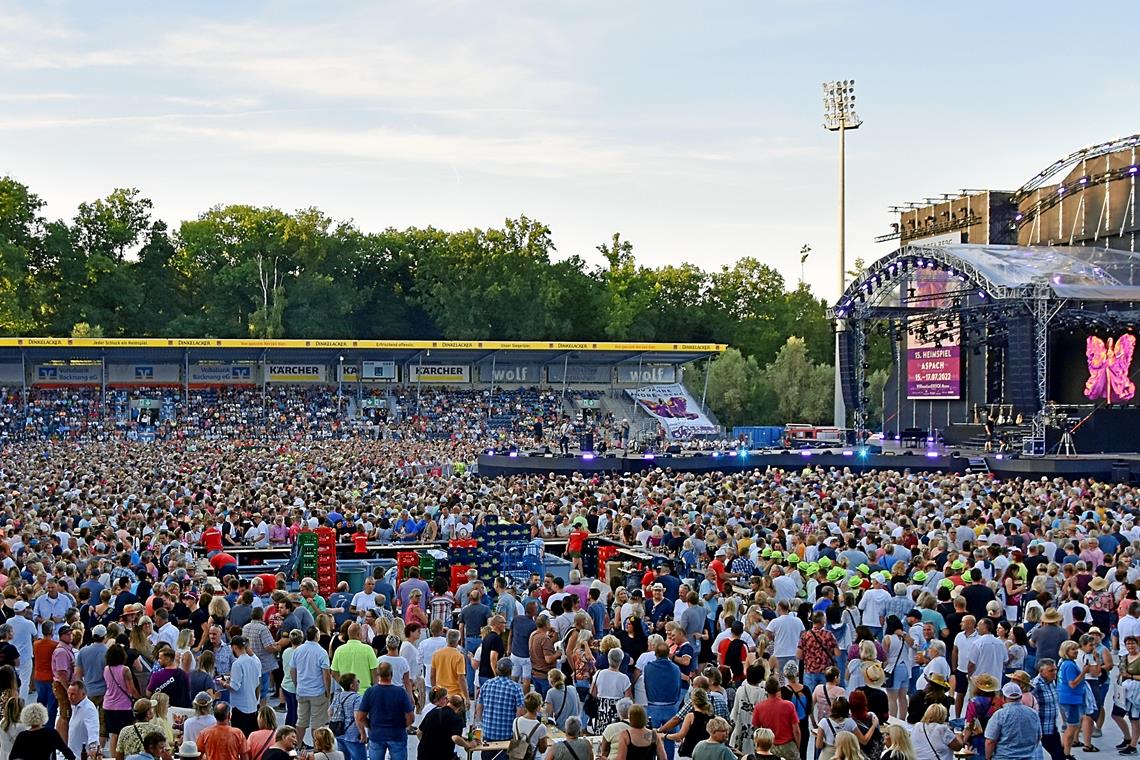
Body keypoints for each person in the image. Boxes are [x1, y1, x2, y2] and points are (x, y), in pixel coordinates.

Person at [355, 661, 414, 760]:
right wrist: (403, 726)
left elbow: (360, 716)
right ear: (391, 674)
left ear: (378, 674)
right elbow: (411, 717)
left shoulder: (370, 692)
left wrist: (369, 725)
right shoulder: (400, 692)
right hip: (397, 734)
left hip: (376, 735)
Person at [291, 625, 332, 745]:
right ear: (317, 636)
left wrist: (297, 684)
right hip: (317, 692)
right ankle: (317, 747)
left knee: (301, 721)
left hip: (302, 690)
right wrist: (328, 691)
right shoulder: (321, 652)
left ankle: (296, 746)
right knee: (317, 723)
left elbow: (292, 670)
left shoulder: (298, 650)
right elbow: (326, 675)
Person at [983, 681, 1041, 760]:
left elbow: (990, 741)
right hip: (1028, 757)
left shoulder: (1000, 715)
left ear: (1003, 698)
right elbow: (1038, 736)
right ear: (1020, 697)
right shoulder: (1033, 713)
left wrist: (988, 757)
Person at [416, 687, 472, 760]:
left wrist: (429, 743)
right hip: (442, 755)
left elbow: (419, 732)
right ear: (460, 707)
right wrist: (468, 745)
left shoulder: (433, 711)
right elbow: (455, 738)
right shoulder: (456, 718)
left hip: (423, 754)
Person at [477, 658, 526, 743]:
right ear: (510, 671)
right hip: (507, 735)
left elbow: (479, 706)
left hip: (488, 733)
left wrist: (480, 724)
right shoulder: (516, 687)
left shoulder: (487, 684)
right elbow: (520, 712)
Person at [10, 702, 75, 760]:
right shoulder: (51, 733)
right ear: (43, 715)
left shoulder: (22, 736)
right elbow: (68, 753)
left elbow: (12, 757)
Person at [226, 635, 262, 734]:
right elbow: (257, 683)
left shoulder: (237, 664)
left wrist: (223, 684)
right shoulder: (254, 661)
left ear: (234, 647)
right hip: (252, 706)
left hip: (239, 708)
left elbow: (234, 686)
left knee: (240, 738)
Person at [670, 687, 714, 760]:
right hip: (705, 753)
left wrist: (665, 736)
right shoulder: (712, 716)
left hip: (689, 752)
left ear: (693, 701)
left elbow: (680, 735)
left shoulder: (691, 716)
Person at [330, 674, 364, 760]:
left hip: (339, 733)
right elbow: (357, 717)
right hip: (353, 735)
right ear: (352, 686)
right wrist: (363, 733)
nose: (359, 683)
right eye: (357, 681)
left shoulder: (338, 696)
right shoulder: (357, 698)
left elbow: (330, 712)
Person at [66, 681, 101, 760]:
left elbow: (93, 730)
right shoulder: (75, 705)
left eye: (73, 694)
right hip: (73, 754)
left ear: (83, 694)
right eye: (68, 693)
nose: (70, 697)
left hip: (82, 756)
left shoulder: (88, 709)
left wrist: (93, 748)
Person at [511, 692, 551, 760]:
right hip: (533, 757)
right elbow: (543, 749)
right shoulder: (541, 727)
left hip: (517, 756)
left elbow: (515, 739)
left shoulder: (516, 721)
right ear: (538, 708)